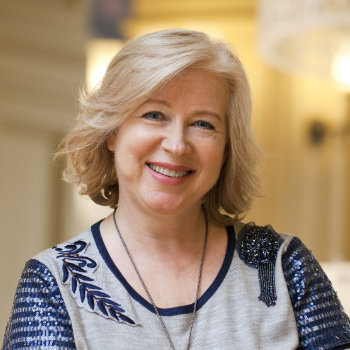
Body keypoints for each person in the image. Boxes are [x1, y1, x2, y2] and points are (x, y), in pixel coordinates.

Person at [2, 29, 350, 350]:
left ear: (227, 148)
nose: (177, 144)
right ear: (112, 132)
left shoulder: (283, 266)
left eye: (203, 124)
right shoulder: (52, 285)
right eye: (154, 115)